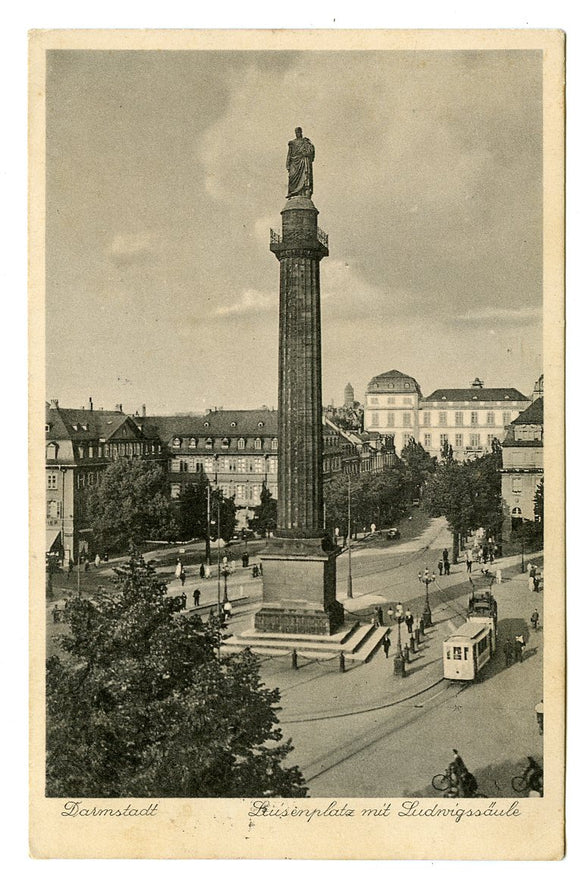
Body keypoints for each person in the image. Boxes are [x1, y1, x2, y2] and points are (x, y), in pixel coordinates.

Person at [286, 127, 315, 199]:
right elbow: (289, 154)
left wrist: (307, 152)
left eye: (299, 132)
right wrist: (287, 164)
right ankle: (293, 194)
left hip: (303, 161)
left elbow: (311, 150)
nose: (297, 133)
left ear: (301, 132)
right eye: (296, 132)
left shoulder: (305, 141)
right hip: (294, 162)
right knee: (292, 177)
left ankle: (304, 193)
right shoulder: (292, 143)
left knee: (304, 177)